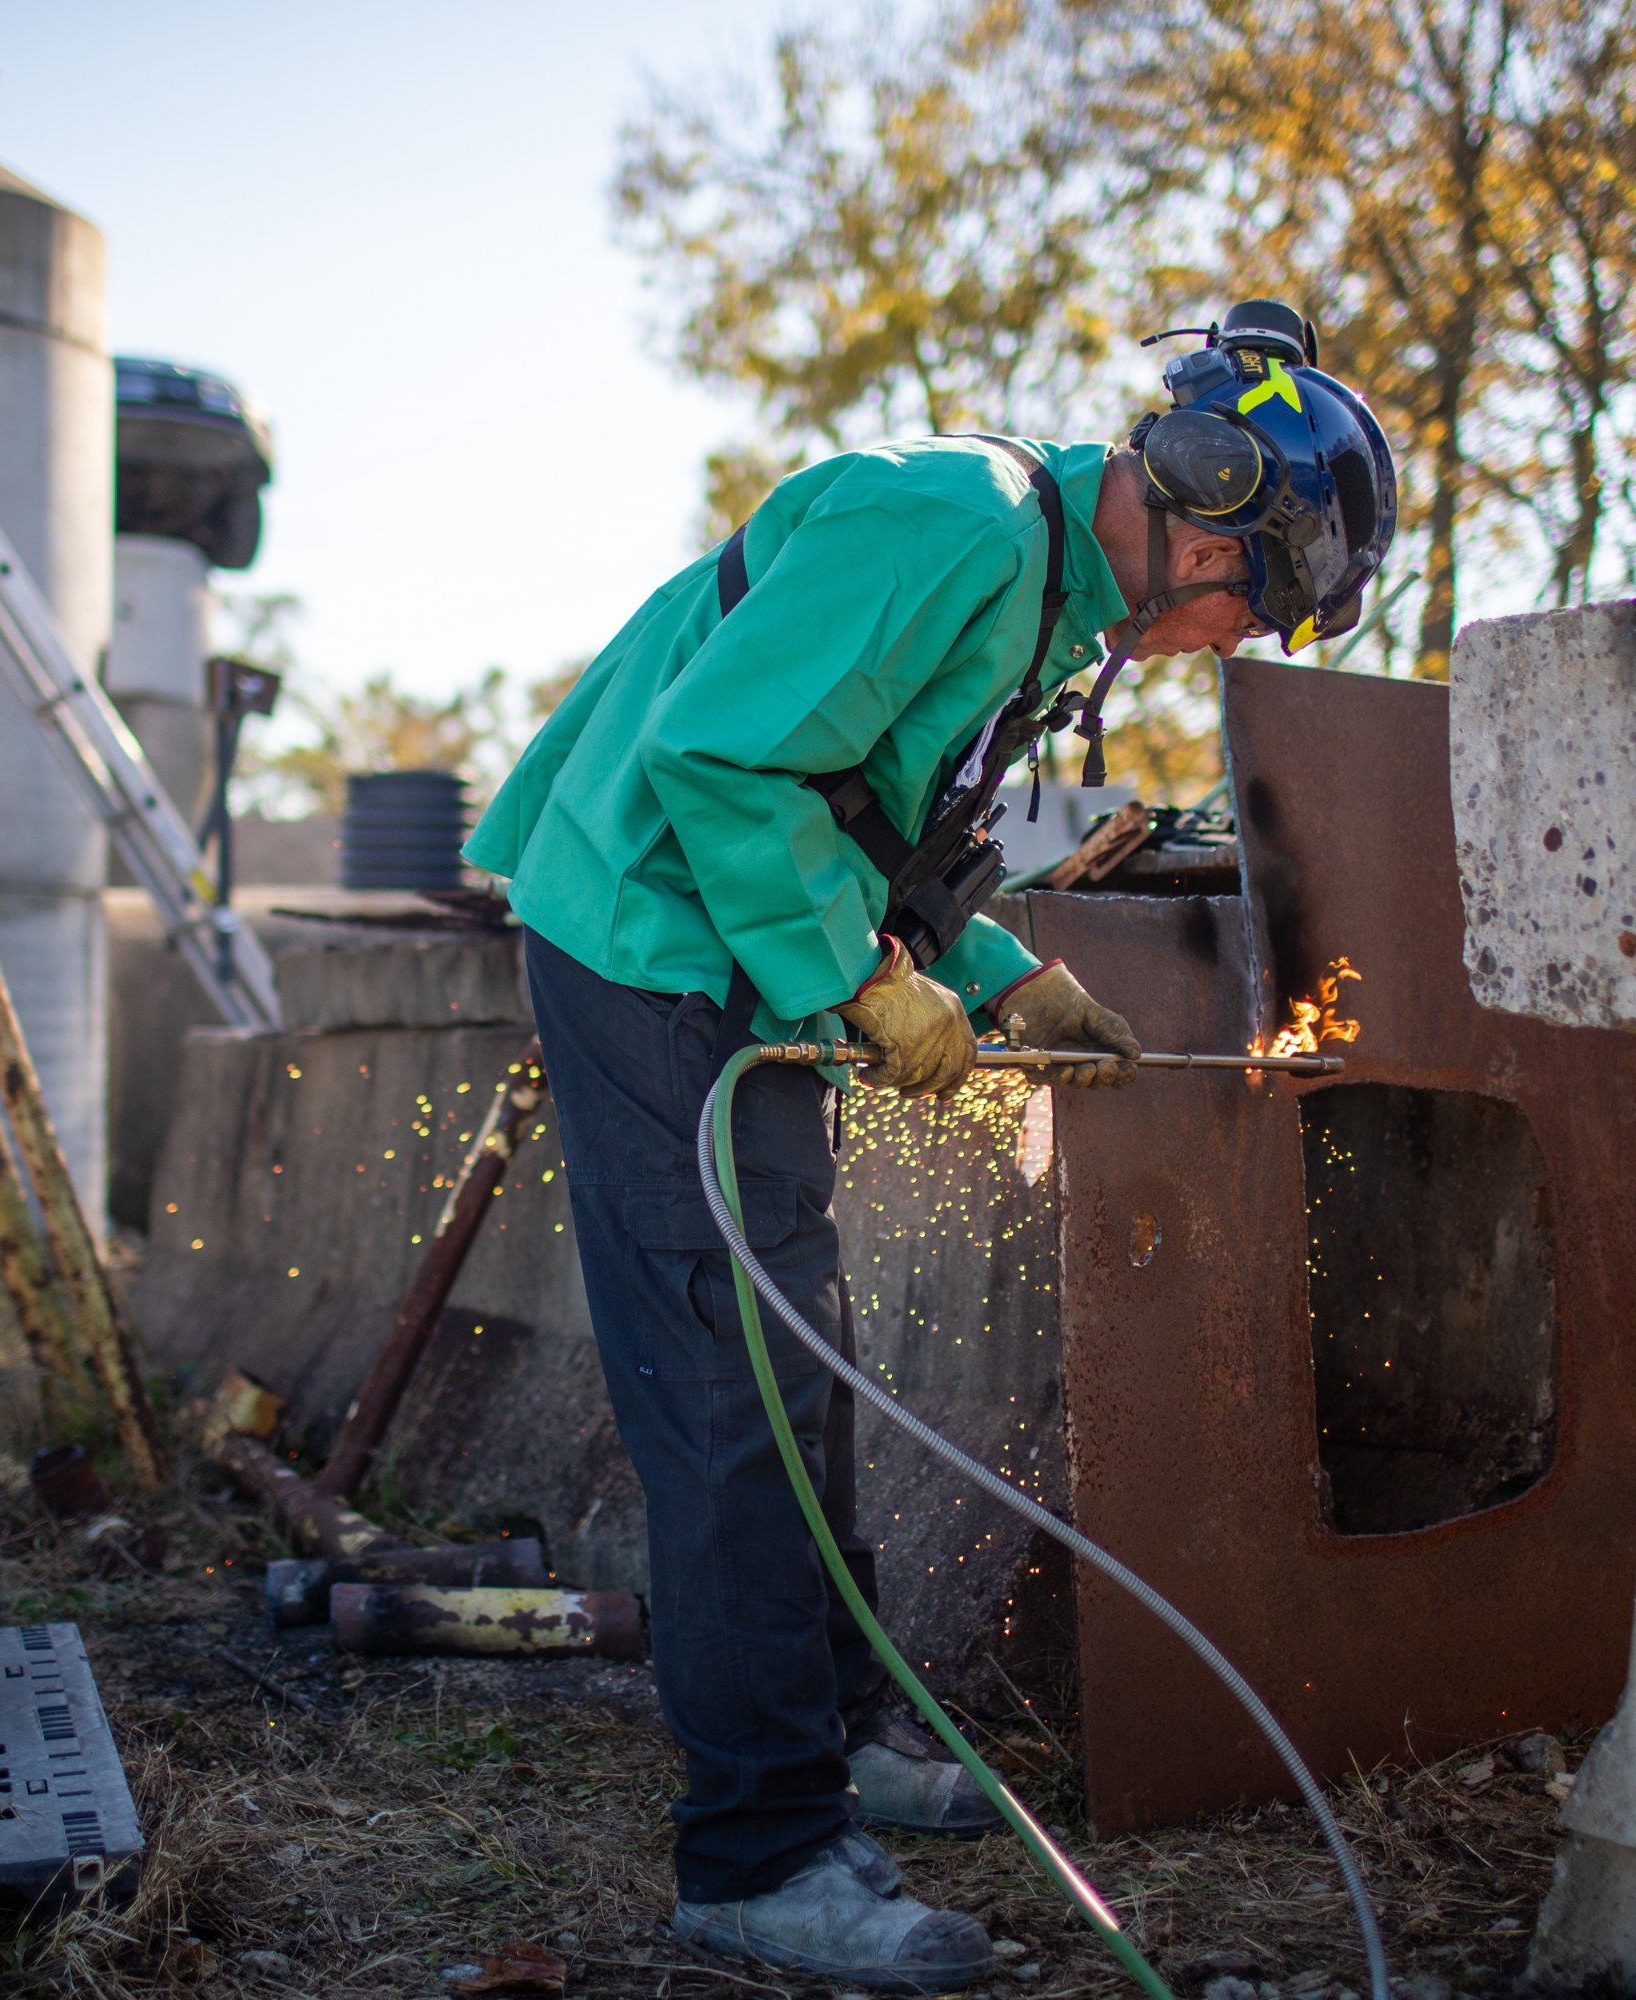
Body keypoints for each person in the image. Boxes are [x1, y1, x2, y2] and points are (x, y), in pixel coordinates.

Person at [464, 300, 1395, 1993]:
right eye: (1250, 598)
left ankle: (838, 1735)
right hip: (650, 941)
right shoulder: (947, 523)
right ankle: (760, 1857)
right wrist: (856, 991)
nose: (1227, 638)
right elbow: (719, 759)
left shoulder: (1048, 600)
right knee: (733, 1388)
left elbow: (876, 817)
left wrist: (1004, 980)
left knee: (796, 1357)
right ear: (1198, 494)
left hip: (734, 936)